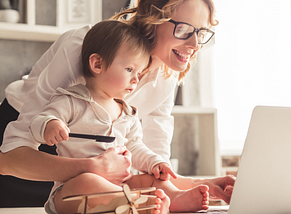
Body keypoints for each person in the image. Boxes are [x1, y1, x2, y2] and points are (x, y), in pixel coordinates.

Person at [0, 0, 235, 208]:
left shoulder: (167, 74)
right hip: (35, 149)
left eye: (202, 32)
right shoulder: (84, 47)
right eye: (184, 29)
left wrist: (200, 185)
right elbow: (8, 160)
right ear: (153, 18)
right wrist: (93, 167)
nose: (195, 43)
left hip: (99, 175)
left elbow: (152, 166)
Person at [29, 19, 211, 214]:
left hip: (120, 185)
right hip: (70, 193)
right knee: (88, 181)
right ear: (97, 64)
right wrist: (50, 124)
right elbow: (38, 121)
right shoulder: (72, 101)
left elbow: (135, 146)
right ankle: (138, 205)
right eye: (129, 69)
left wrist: (155, 162)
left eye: (139, 73)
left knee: (152, 178)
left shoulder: (127, 113)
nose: (135, 79)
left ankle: (174, 198)